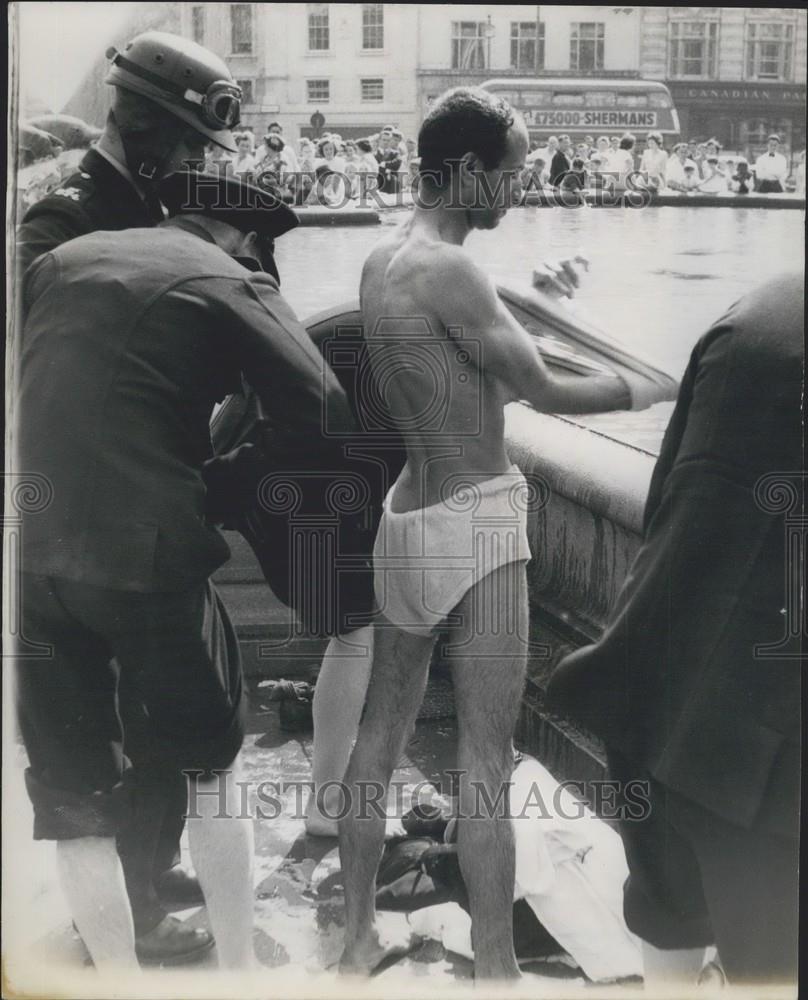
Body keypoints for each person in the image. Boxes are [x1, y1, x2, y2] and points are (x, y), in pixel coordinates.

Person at [338, 85, 672, 981]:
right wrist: (657, 389)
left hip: (407, 513)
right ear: (468, 172)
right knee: (486, 754)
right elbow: (541, 388)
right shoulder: (454, 271)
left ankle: (352, 943)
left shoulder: (384, 258)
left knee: (380, 731)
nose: (518, 188)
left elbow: (467, 344)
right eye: (512, 172)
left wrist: (540, 299)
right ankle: (495, 968)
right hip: (477, 517)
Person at [12, 169, 354, 972]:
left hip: (27, 552)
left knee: (74, 804)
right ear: (246, 241)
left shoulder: (61, 259)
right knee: (208, 773)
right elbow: (323, 407)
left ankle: (120, 983)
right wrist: (219, 487)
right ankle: (236, 978)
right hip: (148, 560)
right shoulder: (228, 277)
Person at [15, 30, 242, 964]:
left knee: (164, 715)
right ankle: (130, 912)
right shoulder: (56, 226)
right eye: (190, 144)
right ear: (143, 123)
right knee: (106, 726)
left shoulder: (152, 206)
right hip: (82, 520)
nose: (198, 163)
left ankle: (149, 867)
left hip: (150, 501)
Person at [547, 272, 802, 987]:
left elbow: (670, 500)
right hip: (771, 758)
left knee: (666, 915)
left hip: (650, 686)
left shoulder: (761, 309)